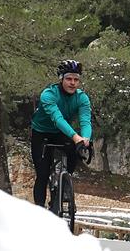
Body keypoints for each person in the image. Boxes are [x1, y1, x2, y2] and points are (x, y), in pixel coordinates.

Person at [30, 59, 93, 209]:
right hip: (41, 133)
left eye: (76, 79)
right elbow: (57, 119)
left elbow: (85, 121)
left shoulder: (82, 98)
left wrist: (85, 139)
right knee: (43, 173)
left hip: (61, 132)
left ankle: (64, 186)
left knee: (74, 151)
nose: (72, 83)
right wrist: (75, 136)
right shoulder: (49, 94)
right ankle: (39, 209)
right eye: (69, 79)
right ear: (61, 79)